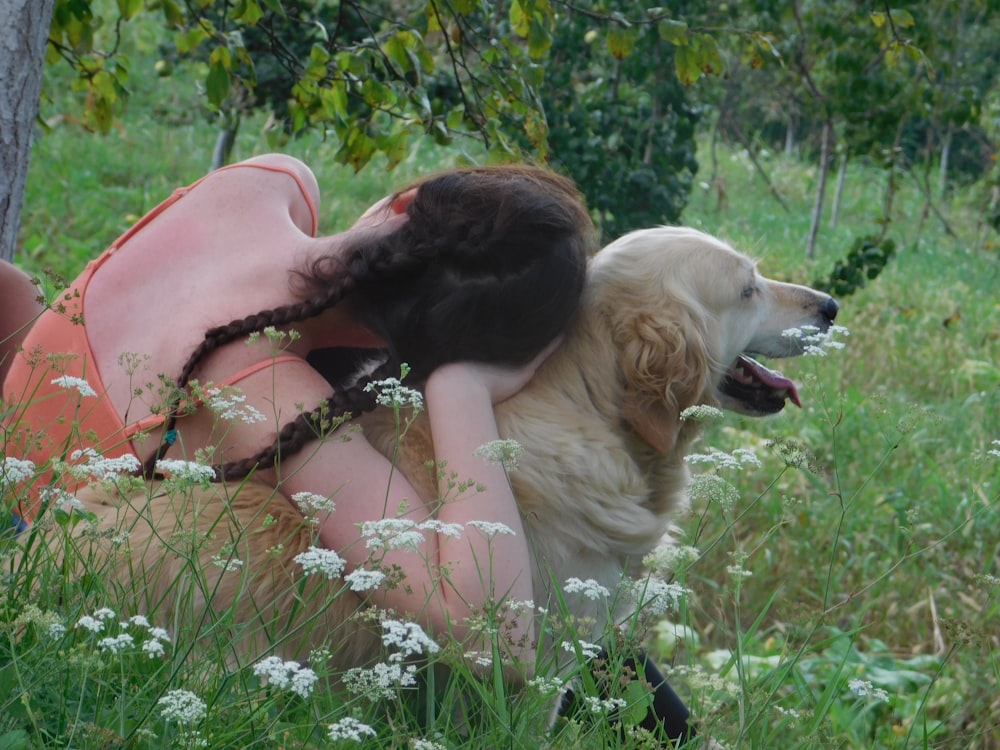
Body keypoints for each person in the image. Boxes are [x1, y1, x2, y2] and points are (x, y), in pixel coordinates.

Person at [1, 154, 594, 651]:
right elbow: (489, 630)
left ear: (408, 203)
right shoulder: (268, 393)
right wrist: (463, 388)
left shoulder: (268, 181)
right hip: (25, 565)